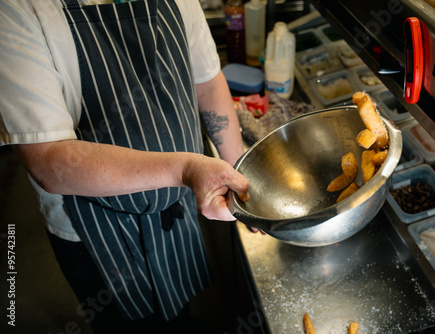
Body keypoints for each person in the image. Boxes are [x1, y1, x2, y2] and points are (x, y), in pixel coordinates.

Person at [0, 0, 252, 332]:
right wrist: (184, 170)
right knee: (126, 324)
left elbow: (206, 82)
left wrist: (241, 175)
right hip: (95, 226)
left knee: (175, 310)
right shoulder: (16, 9)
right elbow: (49, 161)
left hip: (174, 207)